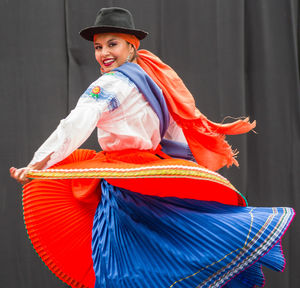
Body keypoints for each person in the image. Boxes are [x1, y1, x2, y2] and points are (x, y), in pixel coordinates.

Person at [10, 7, 294, 288]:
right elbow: (175, 130)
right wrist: (184, 170)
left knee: (123, 266)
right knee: (166, 258)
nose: (103, 53)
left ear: (132, 46)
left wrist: (39, 164)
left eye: (112, 44)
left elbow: (76, 123)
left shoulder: (111, 83)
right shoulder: (154, 82)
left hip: (126, 184)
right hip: (147, 179)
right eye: (98, 47)